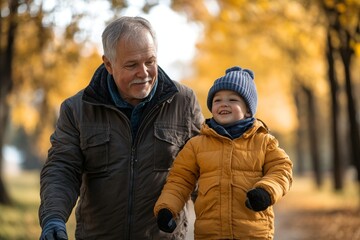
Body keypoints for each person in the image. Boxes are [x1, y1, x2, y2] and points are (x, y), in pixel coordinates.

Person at [38, 16, 204, 240]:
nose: (144, 73)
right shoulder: (77, 109)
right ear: (108, 64)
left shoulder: (183, 101)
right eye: (132, 65)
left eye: (150, 61)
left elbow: (202, 170)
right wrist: (53, 217)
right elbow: (62, 168)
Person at [154, 66, 293, 239]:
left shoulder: (264, 142)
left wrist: (266, 191)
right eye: (217, 100)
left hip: (252, 233)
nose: (223, 104)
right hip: (210, 233)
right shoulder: (197, 145)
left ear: (248, 110)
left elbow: (282, 170)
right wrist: (167, 208)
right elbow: (180, 179)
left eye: (233, 100)